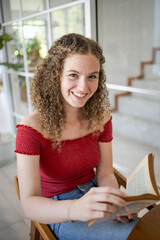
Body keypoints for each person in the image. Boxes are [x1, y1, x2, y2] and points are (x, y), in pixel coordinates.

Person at [15, 33, 138, 240]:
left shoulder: (101, 119)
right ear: (56, 76)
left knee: (143, 232)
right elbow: (29, 203)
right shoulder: (30, 129)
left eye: (92, 76)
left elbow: (106, 173)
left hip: (95, 193)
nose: (83, 87)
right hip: (57, 209)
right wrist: (74, 208)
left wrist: (115, 204)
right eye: (73, 75)